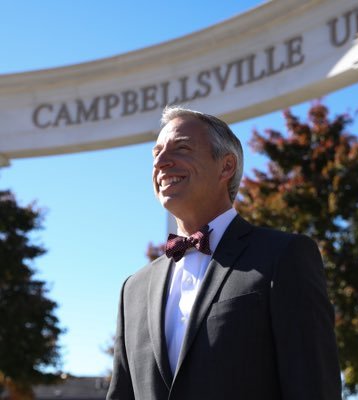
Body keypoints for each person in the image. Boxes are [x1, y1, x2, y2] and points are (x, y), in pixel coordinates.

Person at [107, 106, 342, 400]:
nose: (161, 162)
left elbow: (314, 387)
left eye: (181, 148)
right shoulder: (133, 289)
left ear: (226, 166)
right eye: (156, 153)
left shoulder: (284, 256)